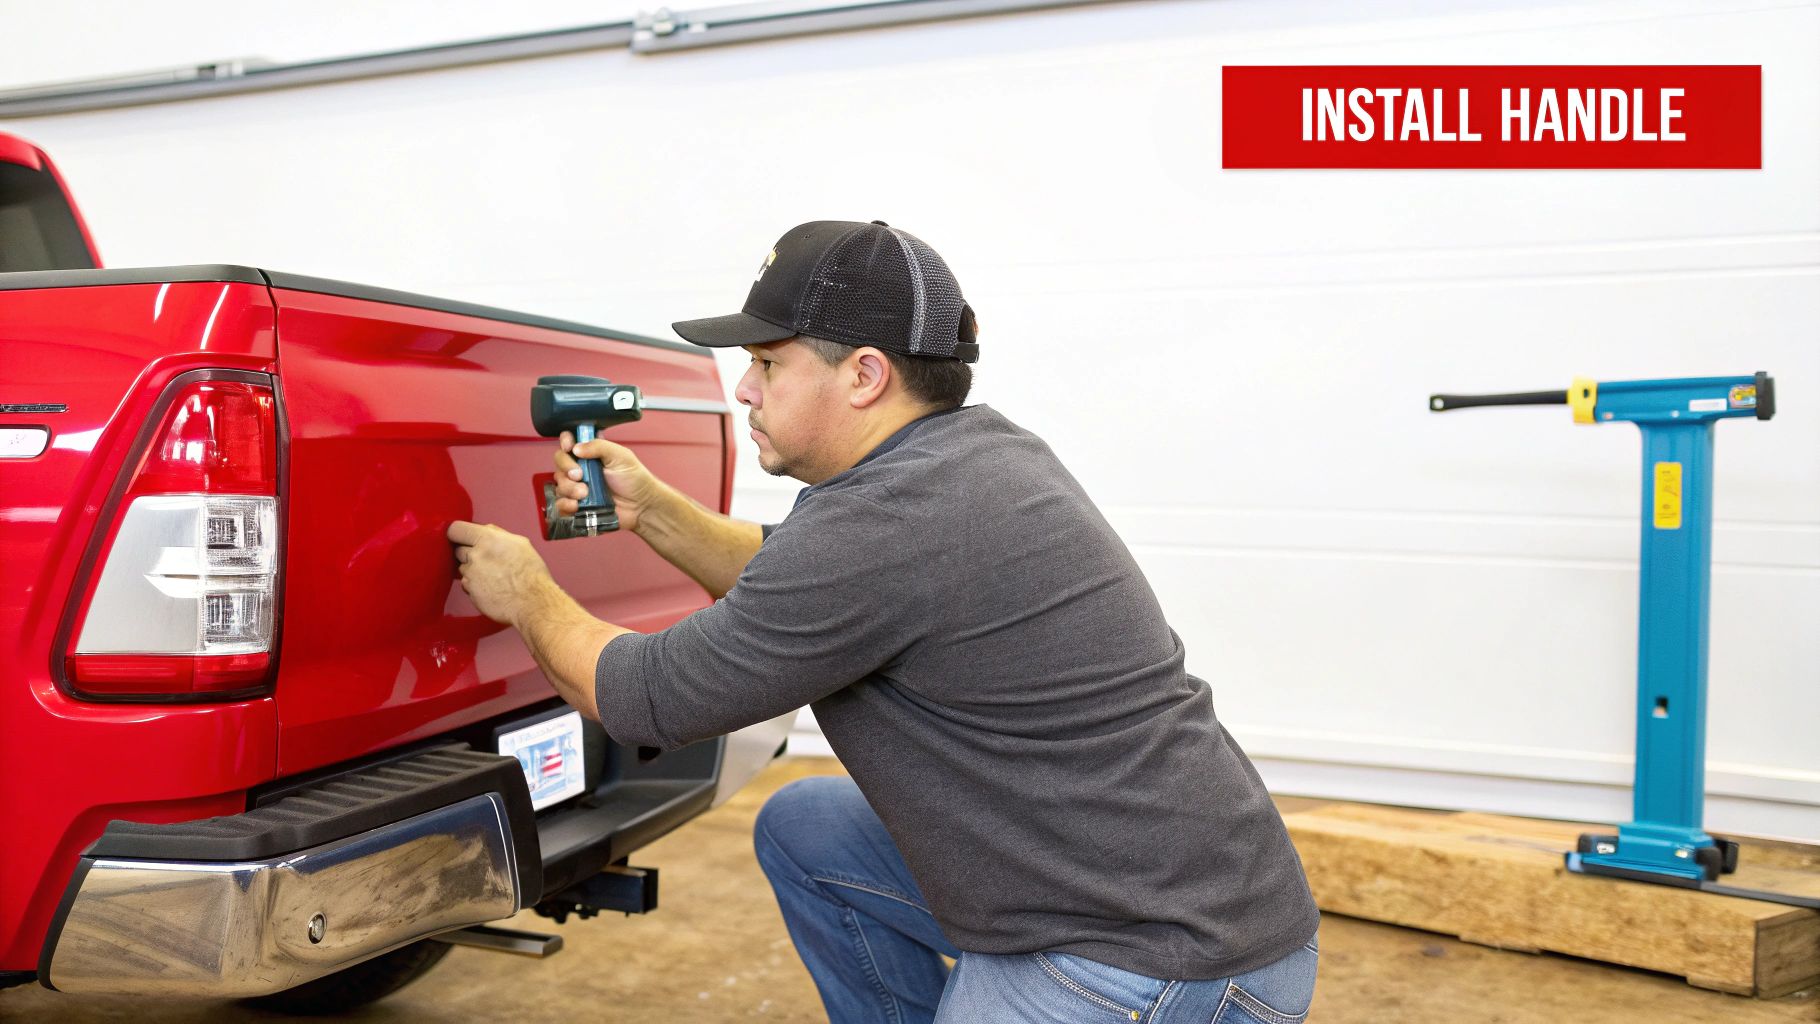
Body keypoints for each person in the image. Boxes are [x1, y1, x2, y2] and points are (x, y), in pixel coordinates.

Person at [447, 220, 1320, 1024]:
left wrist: (525, 591)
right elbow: (809, 588)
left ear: (864, 374)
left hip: (1153, 961)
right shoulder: (968, 459)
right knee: (808, 828)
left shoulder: (888, 520)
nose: (745, 390)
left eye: (769, 364)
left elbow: (641, 698)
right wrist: (655, 510)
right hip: (1187, 900)